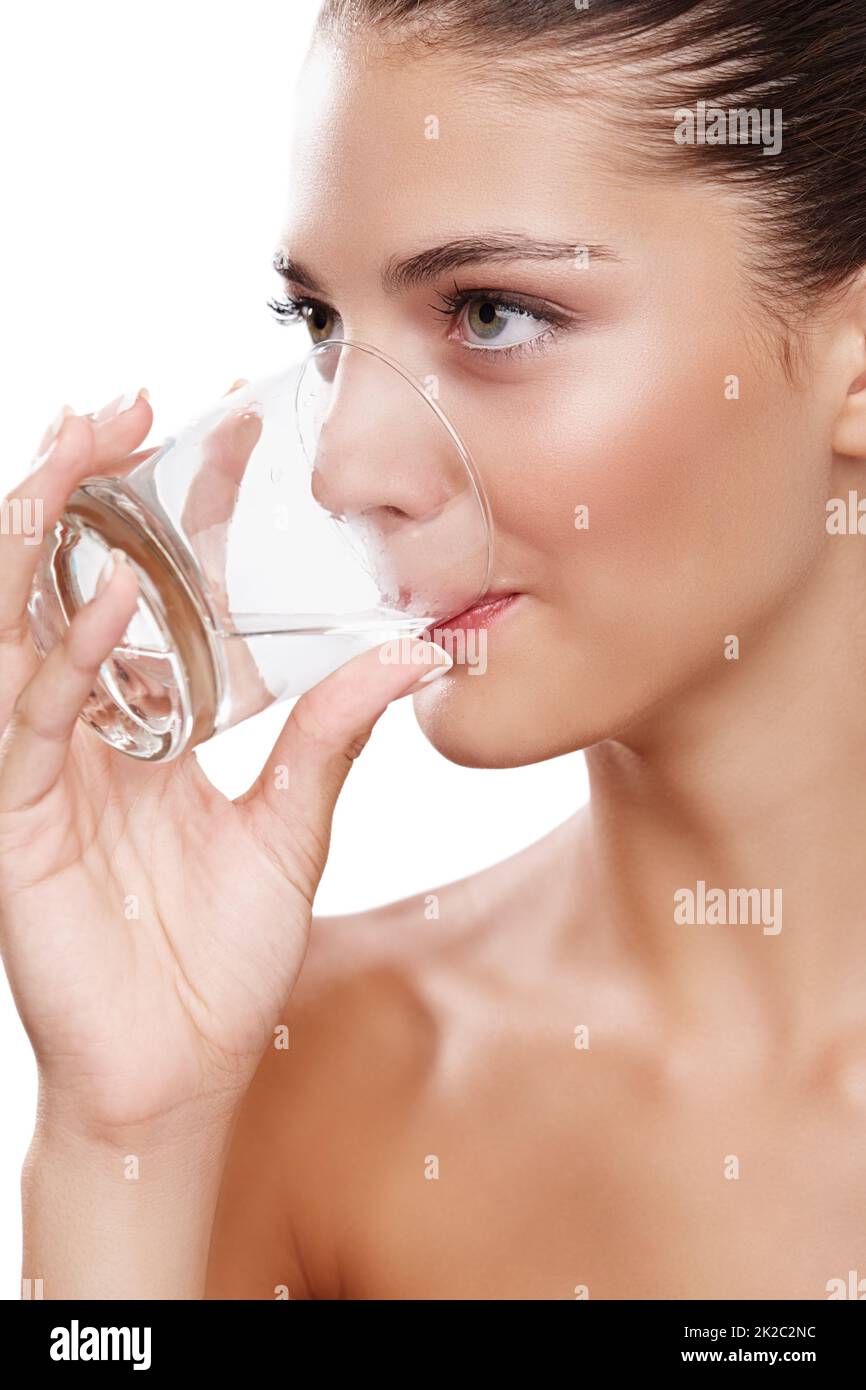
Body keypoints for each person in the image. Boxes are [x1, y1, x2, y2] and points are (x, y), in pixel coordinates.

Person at [3, 0, 866, 1300]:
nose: (344, 462)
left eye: (493, 316)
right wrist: (125, 1145)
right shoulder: (306, 1070)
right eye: (321, 328)